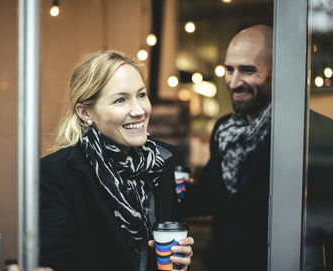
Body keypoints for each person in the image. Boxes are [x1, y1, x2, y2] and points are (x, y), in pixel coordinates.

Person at [38, 50, 194, 271]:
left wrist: (182, 259)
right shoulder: (57, 173)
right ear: (85, 112)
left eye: (141, 95)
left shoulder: (162, 161)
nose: (139, 110)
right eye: (120, 100)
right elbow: (54, 260)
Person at [180, 24, 273, 270]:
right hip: (220, 262)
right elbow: (212, 197)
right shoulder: (224, 130)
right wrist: (171, 191)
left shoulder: (292, 133)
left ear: (277, 72)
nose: (233, 82)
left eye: (247, 70)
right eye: (229, 69)